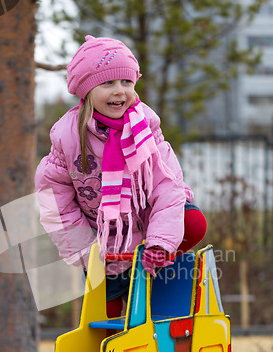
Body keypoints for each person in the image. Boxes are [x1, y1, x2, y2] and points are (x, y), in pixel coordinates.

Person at [35, 35, 207, 318]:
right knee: (106, 314)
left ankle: (155, 265)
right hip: (107, 239)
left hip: (149, 219)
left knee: (193, 221)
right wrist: (87, 254)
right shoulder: (67, 137)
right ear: (87, 90)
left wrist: (160, 242)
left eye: (126, 82)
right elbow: (55, 201)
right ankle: (120, 300)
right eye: (108, 83)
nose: (119, 91)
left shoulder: (145, 128)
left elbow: (168, 187)